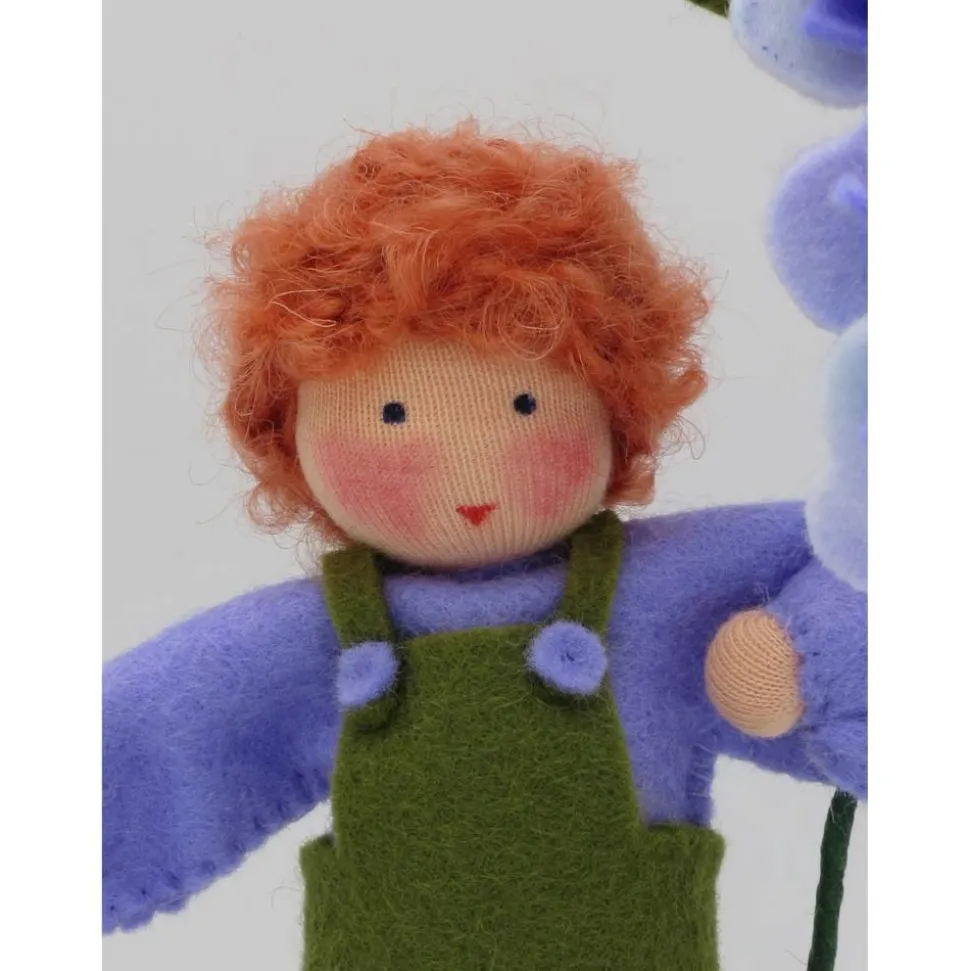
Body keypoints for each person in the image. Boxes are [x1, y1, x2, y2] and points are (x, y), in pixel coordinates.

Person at [102, 123, 867, 971]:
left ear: (616, 406)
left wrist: (808, 651)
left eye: (526, 405)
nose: (464, 462)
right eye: (393, 414)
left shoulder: (665, 595)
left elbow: (865, 547)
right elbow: (160, 733)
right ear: (290, 434)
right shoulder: (312, 639)